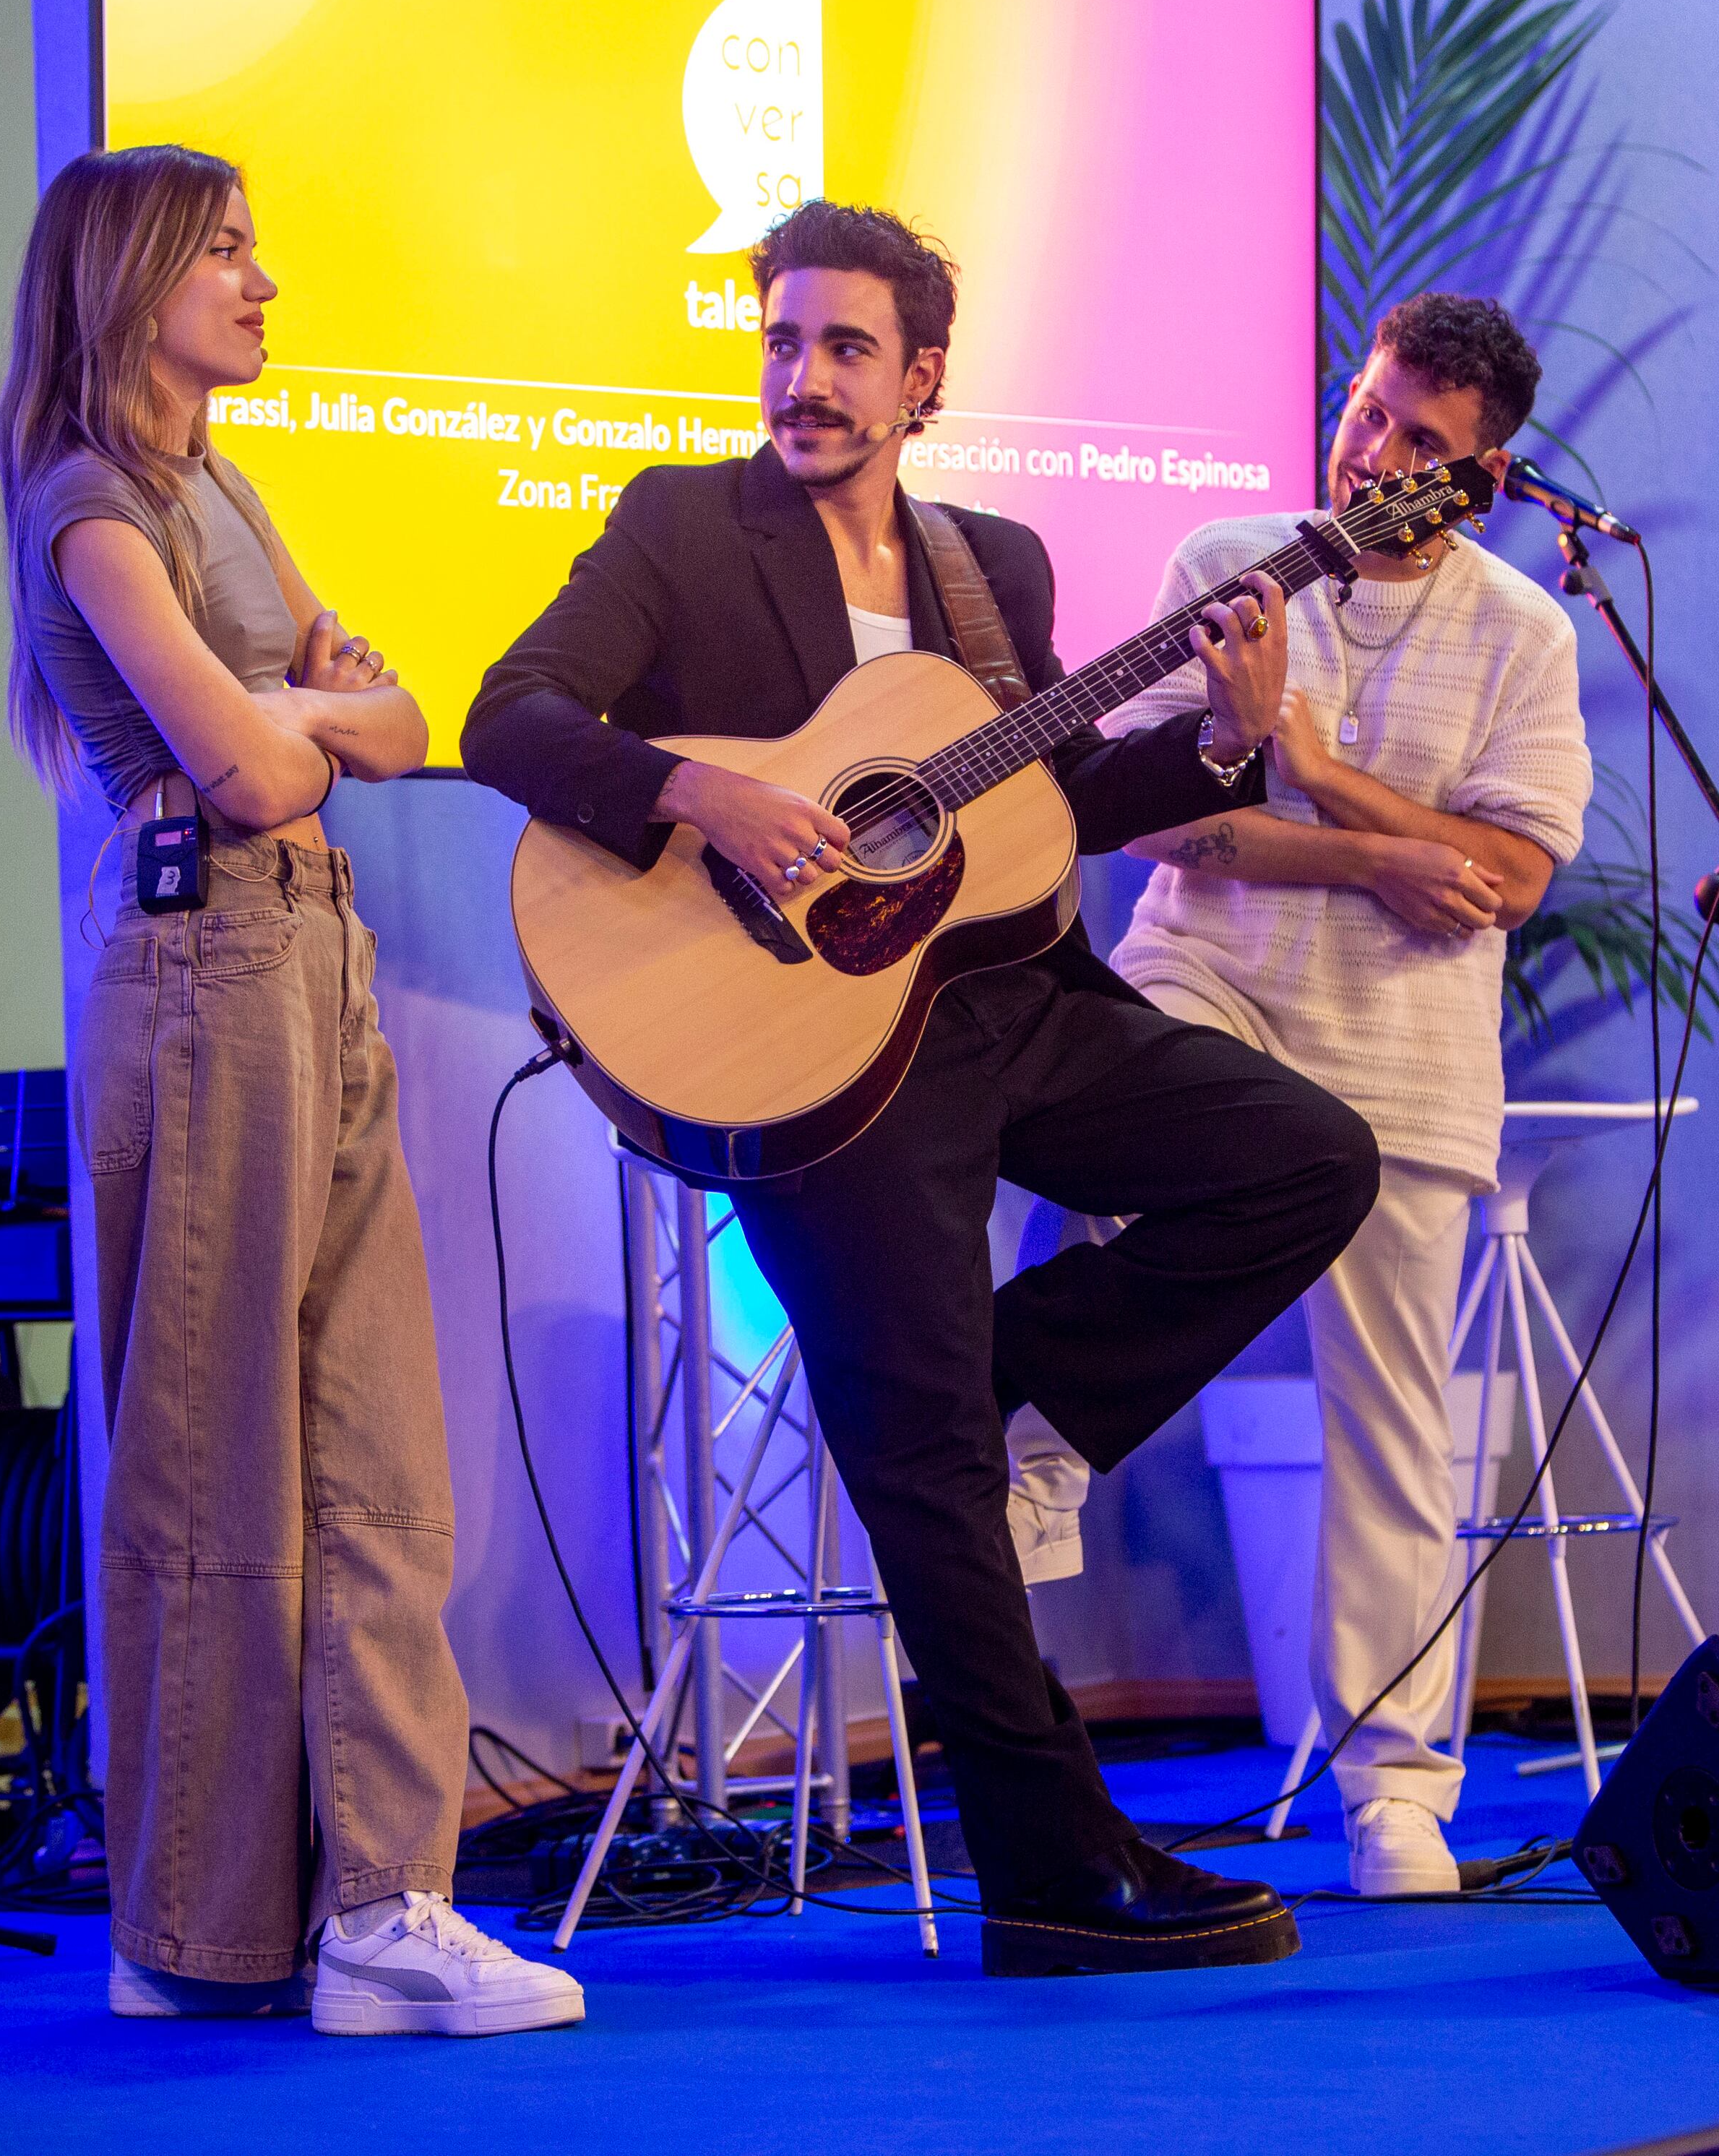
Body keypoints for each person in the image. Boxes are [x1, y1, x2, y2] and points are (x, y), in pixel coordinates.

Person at [461, 200, 1379, 1977]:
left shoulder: (992, 568)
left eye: (844, 348)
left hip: (997, 1004)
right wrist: (698, 794)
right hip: (807, 1046)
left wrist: (1216, 736)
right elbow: (511, 717)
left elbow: (1037, 815)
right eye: (782, 341)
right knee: (921, 1446)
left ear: (923, 377)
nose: (801, 378)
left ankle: (1013, 1388)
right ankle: (1049, 1863)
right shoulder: (681, 525)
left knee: (1303, 1158)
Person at [0, 143, 582, 2035]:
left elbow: (397, 729)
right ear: (131, 276)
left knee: (379, 1457)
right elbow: (245, 775)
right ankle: (200, 1921)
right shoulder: (92, 503)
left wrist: (296, 718)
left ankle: (378, 1904)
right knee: (215, 1459)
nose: (263, 284)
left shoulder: (221, 484)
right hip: (206, 973)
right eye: (228, 253)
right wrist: (300, 722)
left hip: (310, 963)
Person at [1090, 293, 1593, 1897]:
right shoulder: (1222, 565)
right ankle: (1031, 1439)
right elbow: (1157, 825)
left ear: (1485, 473)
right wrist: (1385, 850)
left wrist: (1309, 766)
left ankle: (1392, 1789)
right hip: (1209, 982)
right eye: (1369, 410)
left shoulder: (1527, 629)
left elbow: (1508, 872)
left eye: (1421, 440)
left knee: (1394, 1429)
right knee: (1085, 1173)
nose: (1374, 451)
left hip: (1406, 1059)